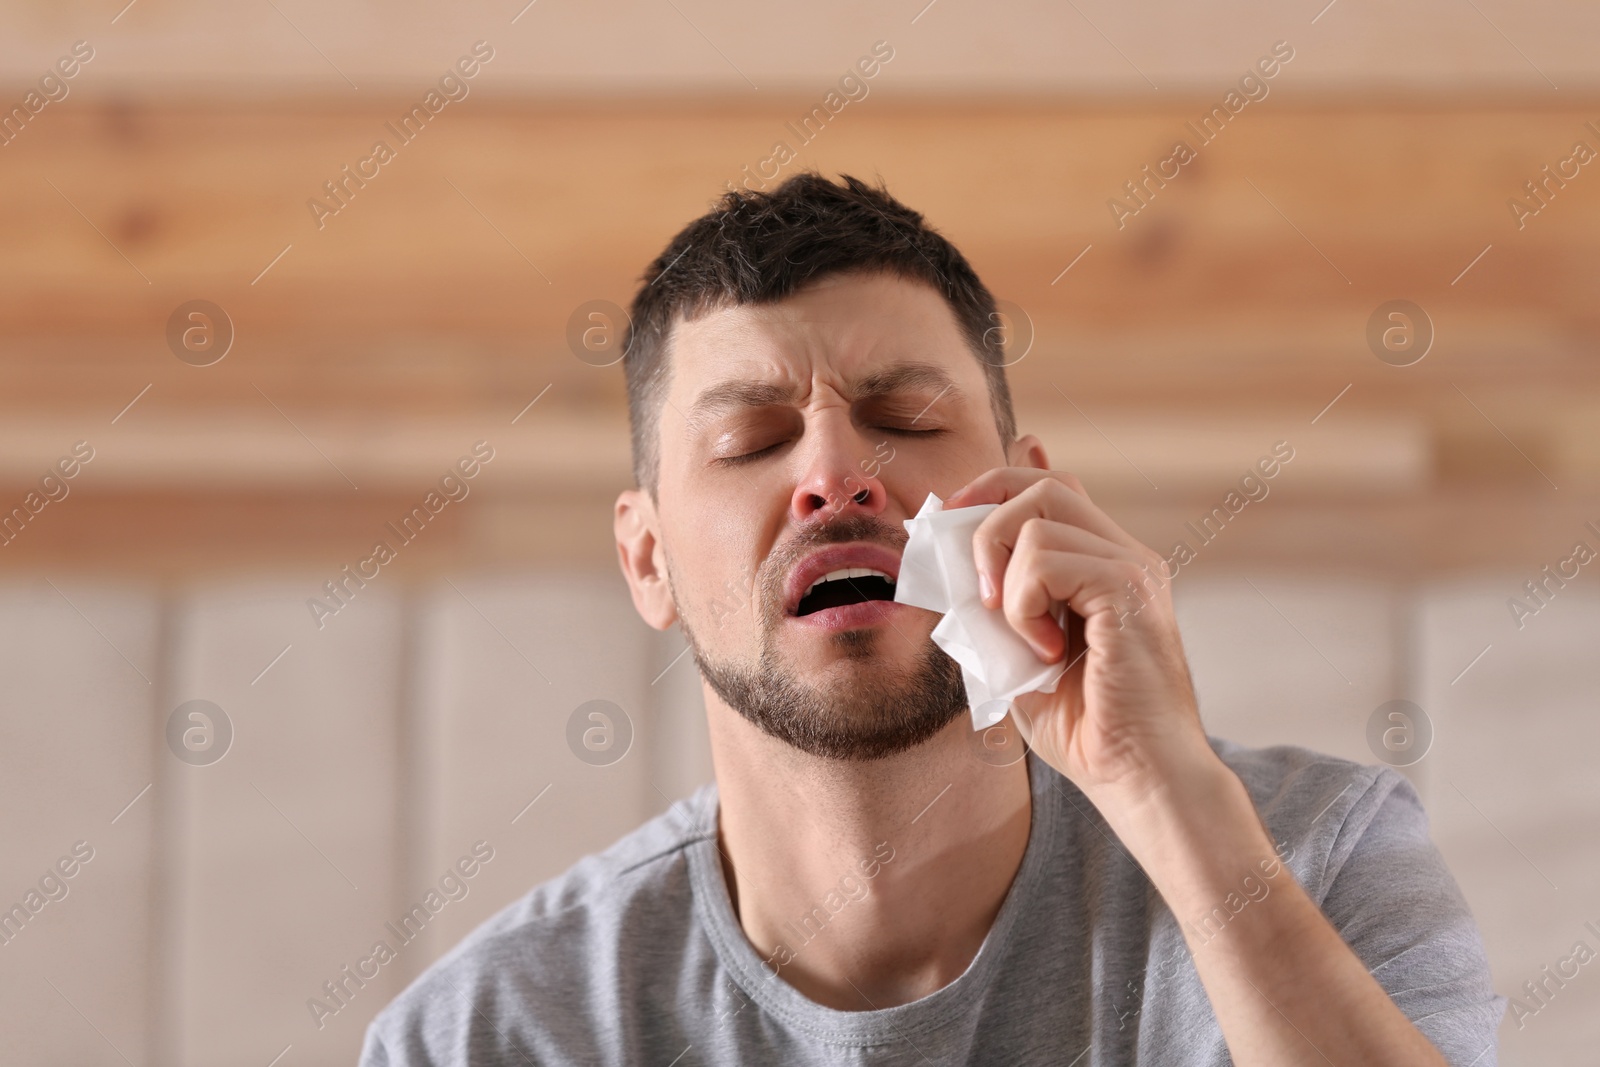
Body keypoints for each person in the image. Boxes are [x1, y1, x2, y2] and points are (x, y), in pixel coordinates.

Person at [359, 173, 1504, 1065]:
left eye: (904, 415)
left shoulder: (1323, 862)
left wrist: (1170, 797)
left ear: (1027, 490)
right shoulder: (484, 1035)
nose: (836, 474)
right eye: (749, 440)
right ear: (646, 558)